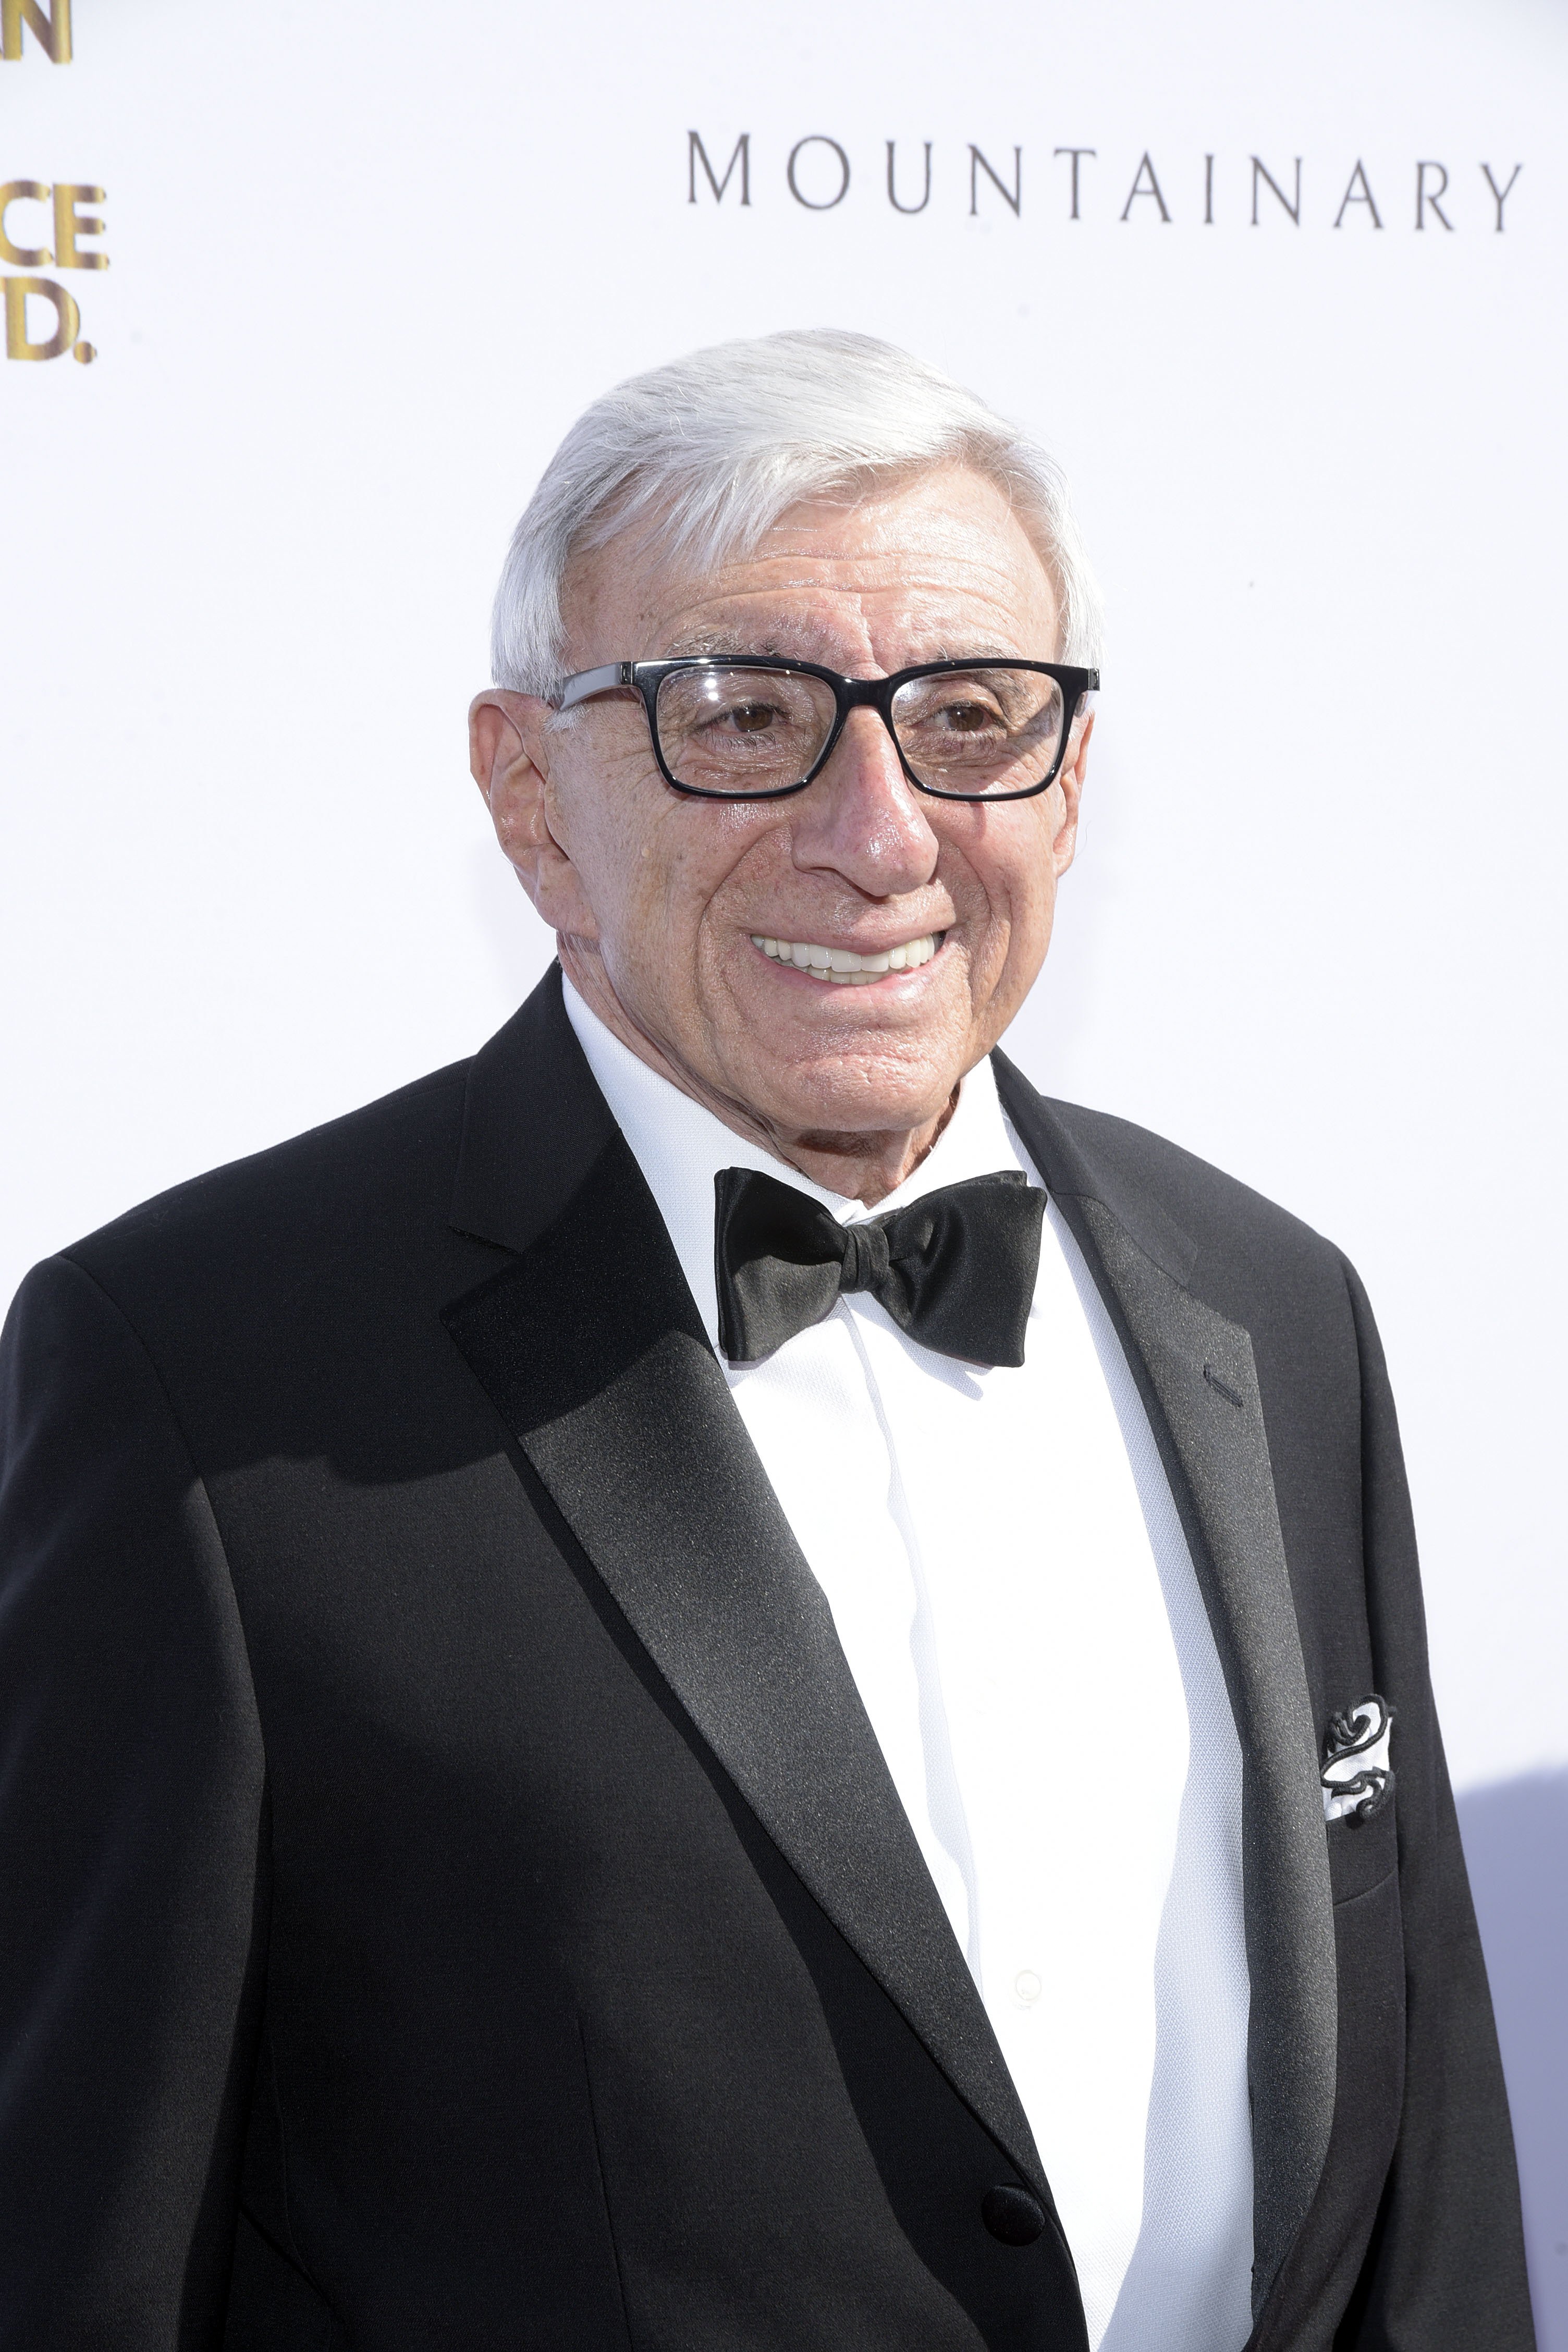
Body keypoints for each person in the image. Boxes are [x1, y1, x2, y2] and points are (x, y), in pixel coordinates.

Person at [0, 330, 1534, 2352]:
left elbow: (1422, 2189)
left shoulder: (1272, 1304)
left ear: (1070, 784)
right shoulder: (198, 1369)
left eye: (970, 716)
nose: (881, 833)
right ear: (526, 791)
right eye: (747, 716)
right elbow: (81, 2253)